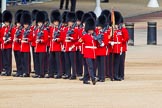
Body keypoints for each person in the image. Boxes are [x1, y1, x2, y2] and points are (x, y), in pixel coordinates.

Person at [69, 17, 97, 85]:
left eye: (92, 30)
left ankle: (85, 79)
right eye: (90, 30)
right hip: (87, 53)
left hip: (93, 53)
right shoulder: (85, 36)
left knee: (90, 67)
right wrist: (72, 47)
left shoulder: (95, 37)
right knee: (90, 67)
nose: (91, 31)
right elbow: (78, 42)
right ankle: (93, 78)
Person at [47, 10, 64, 78]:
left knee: (58, 61)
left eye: (57, 21)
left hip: (58, 47)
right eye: (54, 22)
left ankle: (59, 73)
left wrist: (57, 39)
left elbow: (62, 38)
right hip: (52, 47)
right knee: (51, 61)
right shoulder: (51, 29)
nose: (56, 23)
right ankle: (51, 73)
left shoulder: (61, 29)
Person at [34, 11, 48, 78]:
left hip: (42, 48)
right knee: (37, 61)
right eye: (38, 23)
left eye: (40, 23)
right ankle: (37, 72)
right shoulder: (37, 30)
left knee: (41, 61)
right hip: (37, 48)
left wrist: (40, 41)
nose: (39, 24)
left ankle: (42, 73)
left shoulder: (44, 30)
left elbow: (46, 40)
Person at [20, 11, 33, 77]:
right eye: (24, 24)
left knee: (26, 61)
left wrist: (27, 40)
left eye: (26, 24)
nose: (25, 25)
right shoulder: (22, 30)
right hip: (22, 48)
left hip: (26, 48)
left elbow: (31, 38)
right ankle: (23, 71)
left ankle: (27, 72)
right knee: (22, 61)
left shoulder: (29, 31)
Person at [1, 10, 13, 76]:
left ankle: (9, 71)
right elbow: (0, 37)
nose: (6, 23)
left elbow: (12, 37)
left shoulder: (11, 29)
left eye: (7, 22)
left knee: (8, 59)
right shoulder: (3, 29)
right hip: (4, 45)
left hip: (8, 46)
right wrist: (3, 40)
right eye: (5, 22)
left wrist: (8, 39)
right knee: (5, 59)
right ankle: (5, 70)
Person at [12, 10, 23, 77]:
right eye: (17, 23)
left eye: (19, 23)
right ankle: (18, 71)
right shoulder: (14, 29)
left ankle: (20, 71)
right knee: (17, 60)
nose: (18, 24)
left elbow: (22, 38)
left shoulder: (21, 30)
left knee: (20, 60)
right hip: (15, 47)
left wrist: (18, 39)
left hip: (19, 47)